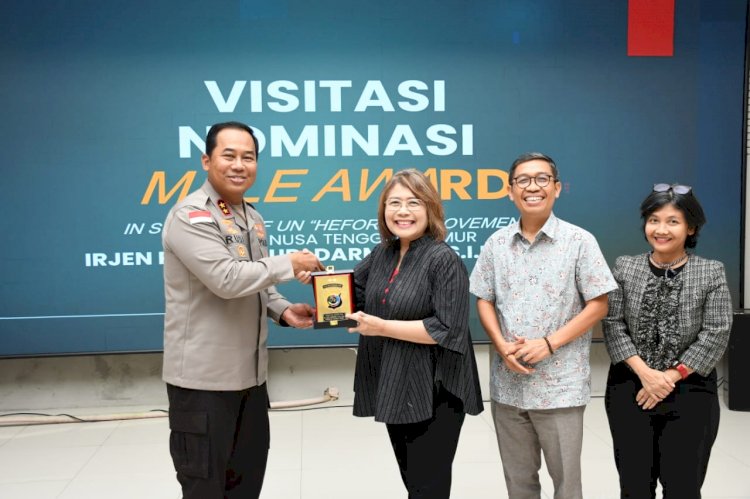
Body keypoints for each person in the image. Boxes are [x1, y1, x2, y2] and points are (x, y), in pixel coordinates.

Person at [161, 121, 324, 498]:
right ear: (206, 161)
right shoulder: (191, 216)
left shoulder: (251, 217)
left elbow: (256, 282)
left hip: (250, 381)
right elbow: (227, 279)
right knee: (205, 488)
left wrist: (282, 310)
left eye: (248, 157)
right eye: (229, 155)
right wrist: (290, 263)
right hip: (203, 384)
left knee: (245, 485)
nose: (239, 165)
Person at [469, 152, 617, 499]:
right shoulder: (496, 244)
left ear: (557, 188)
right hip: (508, 384)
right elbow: (483, 298)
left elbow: (599, 304)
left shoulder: (580, 241)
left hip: (560, 387)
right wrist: (500, 345)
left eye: (542, 179)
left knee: (567, 486)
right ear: (510, 191)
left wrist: (549, 343)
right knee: (519, 484)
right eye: (523, 180)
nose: (532, 187)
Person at [343, 168, 483, 499]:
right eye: (394, 203)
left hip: (436, 388)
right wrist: (319, 278)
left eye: (413, 202)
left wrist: (380, 327)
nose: (402, 211)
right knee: (413, 481)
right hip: (395, 381)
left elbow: (445, 329)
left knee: (427, 487)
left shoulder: (443, 259)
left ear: (430, 208)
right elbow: (351, 294)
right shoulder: (383, 253)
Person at [602, 183, 732, 498]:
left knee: (683, 487)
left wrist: (669, 377)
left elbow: (716, 331)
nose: (661, 230)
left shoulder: (711, 272)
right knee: (634, 486)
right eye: (654, 220)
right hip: (630, 388)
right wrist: (646, 374)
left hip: (690, 390)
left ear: (691, 227)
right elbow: (613, 323)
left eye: (673, 221)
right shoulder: (625, 266)